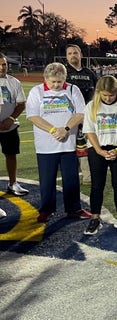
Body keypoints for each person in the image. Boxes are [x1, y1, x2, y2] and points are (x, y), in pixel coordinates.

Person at [26, 62, 92, 222]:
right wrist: (53, 130)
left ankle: (74, 209)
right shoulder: (37, 91)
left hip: (68, 143)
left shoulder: (72, 89)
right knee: (47, 180)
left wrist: (66, 129)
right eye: (53, 81)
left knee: (71, 178)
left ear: (65, 78)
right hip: (45, 146)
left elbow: (81, 112)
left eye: (59, 81)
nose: (56, 85)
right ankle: (46, 210)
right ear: (45, 78)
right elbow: (33, 116)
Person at [82, 75, 117, 235]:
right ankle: (95, 218)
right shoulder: (91, 106)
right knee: (97, 186)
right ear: (99, 93)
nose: (108, 98)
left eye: (111, 95)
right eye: (104, 95)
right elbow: (89, 131)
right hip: (97, 150)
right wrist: (99, 150)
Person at [65, 44, 98, 185]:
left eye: (75, 53)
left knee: (85, 144)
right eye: (70, 53)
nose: (73, 55)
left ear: (81, 55)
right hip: (68, 116)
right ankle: (69, 173)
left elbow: (97, 92)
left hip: (88, 115)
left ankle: (87, 175)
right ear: (66, 57)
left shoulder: (90, 73)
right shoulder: (64, 73)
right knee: (68, 146)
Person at [0, 52, 29, 197]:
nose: (1, 67)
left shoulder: (14, 82)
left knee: (11, 155)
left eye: (4, 64)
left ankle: (13, 183)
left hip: (9, 126)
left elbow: (21, 104)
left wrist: (10, 119)